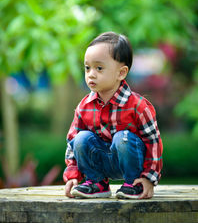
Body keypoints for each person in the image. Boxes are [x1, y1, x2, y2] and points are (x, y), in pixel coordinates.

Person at [63, 31, 163, 199]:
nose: (91, 74)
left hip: (131, 161)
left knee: (122, 138)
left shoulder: (138, 106)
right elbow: (72, 144)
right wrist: (73, 176)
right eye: (87, 68)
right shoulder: (84, 106)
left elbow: (153, 143)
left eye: (99, 68)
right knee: (80, 138)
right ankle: (96, 183)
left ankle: (133, 184)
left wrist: (149, 178)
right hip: (100, 160)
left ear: (121, 73)